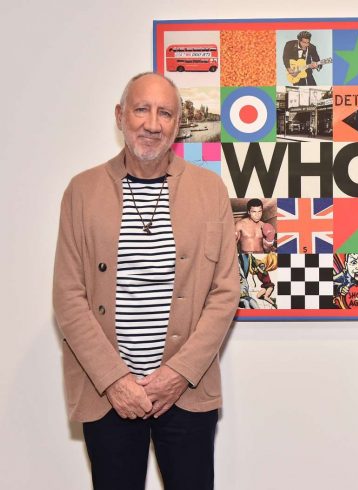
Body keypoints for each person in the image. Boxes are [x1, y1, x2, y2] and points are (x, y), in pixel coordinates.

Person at [53, 72, 239, 490]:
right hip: (107, 396)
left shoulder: (210, 190)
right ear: (120, 115)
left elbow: (225, 292)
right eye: (141, 110)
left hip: (187, 392)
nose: (152, 124)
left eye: (165, 113)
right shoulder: (81, 192)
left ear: (178, 124)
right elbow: (68, 296)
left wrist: (177, 373)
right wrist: (115, 381)